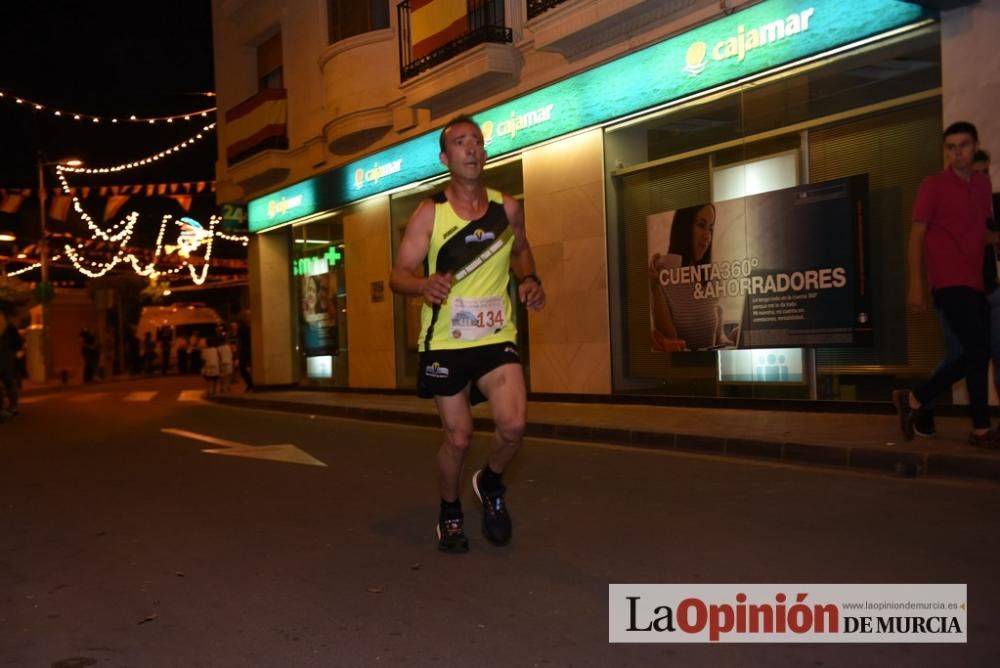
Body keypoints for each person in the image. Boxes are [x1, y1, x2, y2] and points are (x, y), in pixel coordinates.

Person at [389, 114, 545, 553]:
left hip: (496, 336)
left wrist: (531, 280)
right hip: (446, 343)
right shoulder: (429, 213)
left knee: (513, 424)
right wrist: (422, 285)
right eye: (460, 142)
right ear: (445, 157)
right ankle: (450, 510)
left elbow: (522, 250)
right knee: (458, 438)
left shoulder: (506, 208)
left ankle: (491, 483)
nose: (472, 148)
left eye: (477, 140)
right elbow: (397, 275)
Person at [893, 121, 997, 447]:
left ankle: (915, 400)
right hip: (948, 284)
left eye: (963, 145)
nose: (957, 153)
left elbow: (981, 233)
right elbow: (917, 235)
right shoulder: (933, 185)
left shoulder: (982, 185)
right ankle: (979, 428)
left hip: (977, 283)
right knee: (978, 351)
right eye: (951, 148)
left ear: (975, 144)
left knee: (976, 353)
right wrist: (916, 283)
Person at [648, 203, 737, 351]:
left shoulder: (712, 278)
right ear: (684, 227)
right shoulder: (661, 275)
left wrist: (729, 339)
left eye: (710, 228)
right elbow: (670, 340)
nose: (707, 236)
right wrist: (655, 287)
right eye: (701, 225)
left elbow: (718, 337)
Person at [0, 310, 21, 420]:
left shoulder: (9, 329)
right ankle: (11, 406)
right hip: (7, 357)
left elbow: (17, 343)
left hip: (6, 357)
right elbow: (18, 344)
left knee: (8, 382)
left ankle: (11, 406)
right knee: (8, 382)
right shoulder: (9, 328)